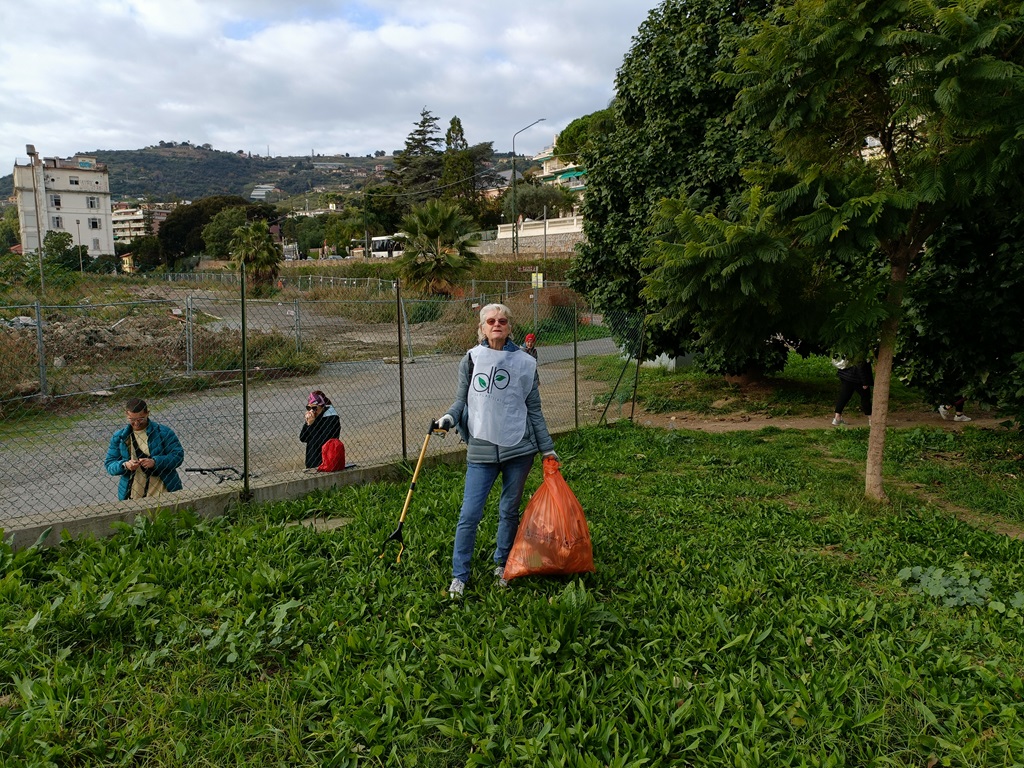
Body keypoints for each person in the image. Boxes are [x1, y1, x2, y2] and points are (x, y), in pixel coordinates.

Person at [437, 303, 557, 597]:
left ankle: (502, 564)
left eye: (503, 320)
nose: (497, 324)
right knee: (469, 514)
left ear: (510, 327)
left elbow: (534, 410)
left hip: (519, 450)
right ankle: (459, 575)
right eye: (490, 320)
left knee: (508, 511)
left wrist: (547, 450)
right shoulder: (470, 360)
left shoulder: (525, 362)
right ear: (481, 327)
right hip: (481, 451)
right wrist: (449, 419)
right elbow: (460, 401)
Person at [104, 398, 184, 500]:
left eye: (141, 419)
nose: (136, 423)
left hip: (164, 492)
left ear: (147, 414)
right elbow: (109, 464)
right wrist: (125, 465)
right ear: (126, 415)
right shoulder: (120, 437)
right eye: (132, 420)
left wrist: (155, 462)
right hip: (133, 495)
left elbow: (178, 456)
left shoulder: (164, 432)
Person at [300, 390, 341, 469]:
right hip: (311, 462)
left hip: (326, 462)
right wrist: (307, 424)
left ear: (322, 406)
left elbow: (321, 442)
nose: (311, 411)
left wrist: (311, 425)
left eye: (314, 408)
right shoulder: (314, 418)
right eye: (309, 408)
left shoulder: (332, 419)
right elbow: (303, 438)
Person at [832, 359, 873, 426]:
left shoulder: (850, 350)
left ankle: (837, 418)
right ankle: (871, 419)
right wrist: (865, 382)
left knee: (844, 396)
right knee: (865, 397)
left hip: (845, 375)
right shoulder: (861, 352)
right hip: (857, 378)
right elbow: (860, 366)